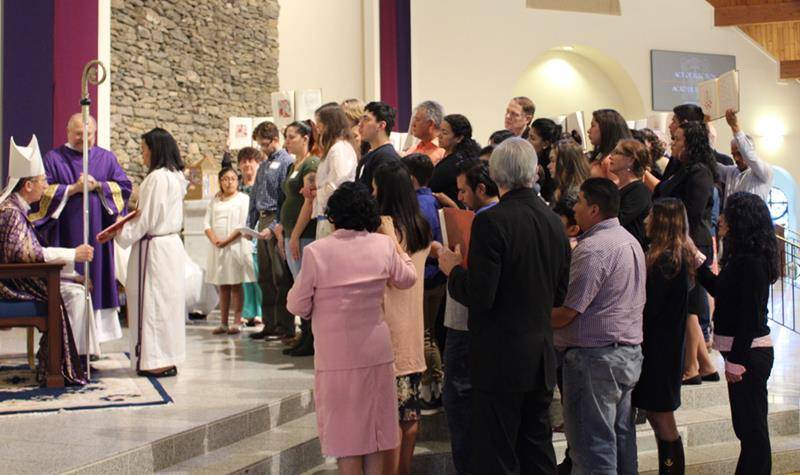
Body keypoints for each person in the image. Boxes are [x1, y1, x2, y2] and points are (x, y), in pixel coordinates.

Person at [440, 138, 570, 474]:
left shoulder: (492, 221)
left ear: (497, 176)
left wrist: (452, 268)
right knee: (538, 452)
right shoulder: (553, 220)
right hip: (539, 355)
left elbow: (480, 294)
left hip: (500, 358)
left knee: (497, 455)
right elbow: (559, 293)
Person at [286, 182, 417, 475]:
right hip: (376, 352)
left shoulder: (317, 252)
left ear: (334, 214)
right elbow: (408, 278)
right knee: (372, 436)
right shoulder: (382, 245)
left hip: (336, 357)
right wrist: (393, 242)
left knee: (346, 439)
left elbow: (296, 305)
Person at [551, 177, 646, 474]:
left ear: (593, 209)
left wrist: (529, 316)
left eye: (579, 201)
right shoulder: (629, 240)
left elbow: (569, 311)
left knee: (593, 450)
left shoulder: (593, 249)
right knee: (620, 443)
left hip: (596, 359)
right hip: (626, 353)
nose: (575, 208)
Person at [33, 113, 131, 356]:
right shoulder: (54, 159)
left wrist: (98, 185)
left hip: (98, 235)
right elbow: (43, 193)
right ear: (68, 132)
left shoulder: (106, 159)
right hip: (66, 233)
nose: (83, 139)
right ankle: (69, 346)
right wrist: (73, 189)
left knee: (97, 280)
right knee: (71, 285)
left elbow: (124, 187)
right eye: (78, 134)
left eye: (88, 134)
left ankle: (92, 346)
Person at [0, 135, 92, 385]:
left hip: (21, 279)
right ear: (28, 186)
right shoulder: (10, 212)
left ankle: (68, 358)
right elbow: (27, 256)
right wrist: (73, 254)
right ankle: (58, 365)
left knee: (76, 288)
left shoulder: (16, 209)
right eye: (43, 181)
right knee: (73, 295)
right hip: (11, 286)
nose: (46, 185)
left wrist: (69, 273)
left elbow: (29, 254)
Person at [698, 192, 778, 474]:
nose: (721, 218)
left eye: (728, 213)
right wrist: (696, 260)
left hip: (750, 353)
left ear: (740, 220)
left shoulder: (752, 262)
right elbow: (721, 290)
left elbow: (749, 316)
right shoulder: (742, 257)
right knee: (746, 428)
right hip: (743, 351)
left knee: (752, 430)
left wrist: (737, 360)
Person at [373, 161, 432, 475]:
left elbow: (399, 274)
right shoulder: (420, 225)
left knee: (390, 418)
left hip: (386, 329)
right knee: (409, 415)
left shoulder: (385, 232)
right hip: (412, 328)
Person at [115, 128, 188, 378]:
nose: (142, 154)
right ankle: (166, 357)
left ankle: (156, 360)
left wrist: (119, 231)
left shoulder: (157, 178)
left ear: (155, 150)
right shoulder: (175, 176)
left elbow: (147, 218)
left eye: (144, 149)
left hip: (155, 249)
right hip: (168, 246)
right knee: (166, 304)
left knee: (154, 303)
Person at [632, 198, 696, 474]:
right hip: (663, 348)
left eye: (650, 216)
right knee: (660, 420)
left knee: (662, 420)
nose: (646, 221)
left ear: (662, 222)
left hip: (660, 352)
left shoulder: (667, 261)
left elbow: (651, 309)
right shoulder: (671, 256)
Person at [653, 121, 719, 384]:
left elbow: (691, 209)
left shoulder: (700, 172)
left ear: (690, 143)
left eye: (678, 139)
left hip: (692, 241)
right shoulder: (683, 168)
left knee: (690, 305)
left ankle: (691, 367)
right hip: (682, 239)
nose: (673, 143)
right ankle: (705, 364)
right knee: (688, 304)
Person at [401, 153, 445, 413]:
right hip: (435, 277)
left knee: (425, 335)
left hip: (425, 277)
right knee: (429, 334)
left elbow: (421, 243)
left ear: (411, 178)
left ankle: (431, 389)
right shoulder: (432, 200)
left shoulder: (418, 205)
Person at [247, 121, 295, 341]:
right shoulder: (264, 165)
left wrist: (275, 225)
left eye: (265, 144)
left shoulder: (286, 162)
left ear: (275, 139)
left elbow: (286, 198)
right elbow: (254, 196)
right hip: (261, 222)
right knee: (264, 277)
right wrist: (250, 224)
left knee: (280, 276)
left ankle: (284, 326)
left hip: (277, 221)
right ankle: (269, 323)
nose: (262, 149)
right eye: (260, 145)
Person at [278, 120, 319, 357]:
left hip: (304, 234)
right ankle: (304, 334)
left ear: (305, 138)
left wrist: (294, 235)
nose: (287, 141)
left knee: (306, 286)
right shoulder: (294, 164)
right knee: (297, 285)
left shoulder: (310, 163)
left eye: (291, 136)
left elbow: (309, 200)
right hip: (291, 232)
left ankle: (311, 337)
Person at [204, 167, 255, 335]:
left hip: (235, 245)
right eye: (225, 179)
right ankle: (223, 322)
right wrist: (214, 240)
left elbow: (243, 224)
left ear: (238, 181)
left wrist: (227, 240)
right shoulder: (215, 201)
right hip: (217, 247)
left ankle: (237, 321)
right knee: (222, 284)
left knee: (235, 283)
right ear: (220, 181)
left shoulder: (243, 199)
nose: (229, 182)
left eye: (232, 178)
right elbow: (207, 224)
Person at [312, 104, 358, 240]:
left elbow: (339, 184)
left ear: (329, 124)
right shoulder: (333, 149)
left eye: (320, 125)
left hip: (334, 217)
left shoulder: (339, 149)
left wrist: (317, 193)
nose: (318, 130)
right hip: (326, 216)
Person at [716, 109, 773, 202]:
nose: (736, 158)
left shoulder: (765, 172)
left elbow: (749, 155)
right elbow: (712, 164)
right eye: (733, 154)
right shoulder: (731, 172)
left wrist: (735, 127)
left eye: (739, 154)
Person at [236, 147, 263, 327]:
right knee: (245, 275)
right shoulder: (237, 187)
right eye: (243, 161)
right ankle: (248, 311)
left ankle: (260, 312)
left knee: (258, 274)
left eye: (250, 161)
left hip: (257, 232)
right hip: (240, 234)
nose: (247, 165)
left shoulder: (261, 186)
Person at [609, 139, 652, 250]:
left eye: (617, 152)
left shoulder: (640, 191)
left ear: (631, 160)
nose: (610, 156)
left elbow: (617, 221)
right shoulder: (613, 186)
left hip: (627, 251)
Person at [428, 114, 481, 205]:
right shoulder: (458, 156)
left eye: (444, 133)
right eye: (440, 131)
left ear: (459, 138)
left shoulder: (454, 163)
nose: (439, 136)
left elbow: (431, 185)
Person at [357, 101, 401, 194]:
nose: (360, 124)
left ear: (381, 125)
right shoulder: (371, 155)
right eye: (360, 119)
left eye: (366, 119)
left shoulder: (386, 157)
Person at [587, 109, 633, 184]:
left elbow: (614, 191)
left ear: (606, 129)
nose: (588, 130)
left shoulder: (611, 160)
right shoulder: (601, 154)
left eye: (593, 126)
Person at [547, 138, 590, 205]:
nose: (548, 166)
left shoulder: (574, 198)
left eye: (553, 161)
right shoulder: (564, 188)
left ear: (566, 164)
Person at [529, 118, 561, 203]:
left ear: (545, 144)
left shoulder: (550, 166)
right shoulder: (532, 157)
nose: (527, 141)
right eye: (528, 136)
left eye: (532, 138)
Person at [403, 100, 446, 165]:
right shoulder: (412, 150)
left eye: (417, 120)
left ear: (431, 124)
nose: (413, 124)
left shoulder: (444, 152)